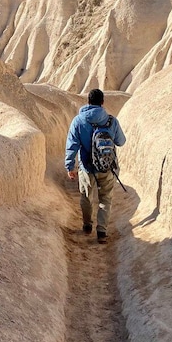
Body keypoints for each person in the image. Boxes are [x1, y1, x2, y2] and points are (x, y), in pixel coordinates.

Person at [65, 88, 126, 244]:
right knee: (105, 199)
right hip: (106, 167)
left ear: (88, 102)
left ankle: (87, 225)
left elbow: (72, 146)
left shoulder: (78, 121)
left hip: (86, 167)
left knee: (86, 197)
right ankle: (102, 232)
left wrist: (69, 166)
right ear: (102, 102)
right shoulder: (111, 121)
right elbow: (121, 141)